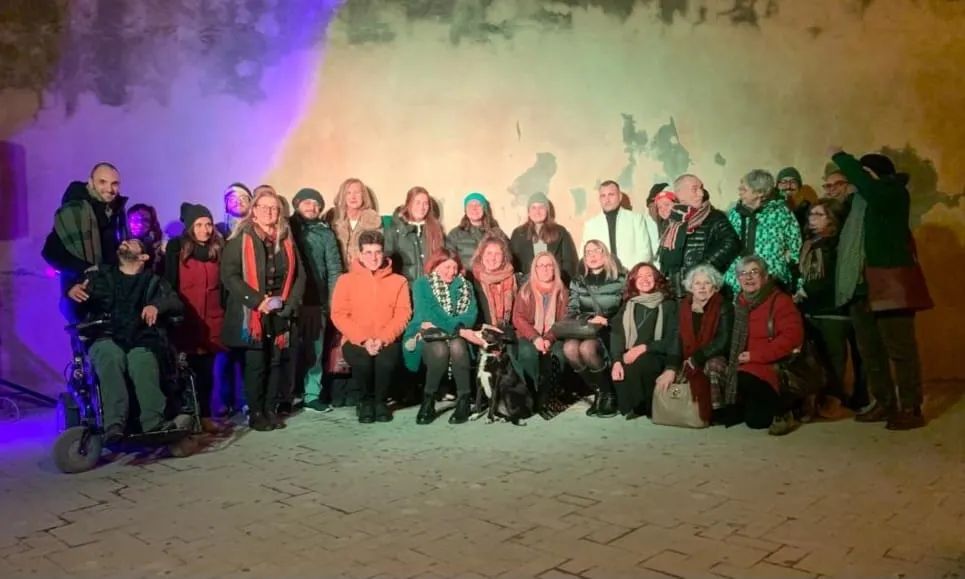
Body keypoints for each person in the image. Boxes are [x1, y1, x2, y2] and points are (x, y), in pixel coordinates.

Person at [830, 148, 931, 430]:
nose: (857, 180)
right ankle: (884, 402)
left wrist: (840, 157)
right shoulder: (859, 203)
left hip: (890, 286)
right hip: (860, 288)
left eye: (863, 174)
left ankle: (910, 407)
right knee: (871, 352)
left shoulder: (893, 193)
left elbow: (871, 190)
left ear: (876, 175)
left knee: (900, 350)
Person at [67, 239, 184, 442]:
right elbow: (73, 310)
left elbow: (175, 303)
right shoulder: (99, 277)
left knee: (142, 361)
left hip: (140, 337)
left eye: (132, 242)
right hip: (105, 335)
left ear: (144, 256)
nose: (125, 241)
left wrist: (157, 306)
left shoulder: (153, 281)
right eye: (125, 241)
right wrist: (70, 294)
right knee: (111, 357)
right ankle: (114, 425)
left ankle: (153, 423)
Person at [221, 187, 304, 431]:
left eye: (274, 208)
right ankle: (256, 412)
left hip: (280, 310)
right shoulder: (240, 240)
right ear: (254, 211)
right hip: (253, 313)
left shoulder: (287, 240)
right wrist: (258, 301)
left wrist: (290, 304)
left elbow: (300, 275)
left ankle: (270, 409)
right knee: (256, 364)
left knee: (276, 362)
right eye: (264, 207)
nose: (269, 212)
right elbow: (230, 276)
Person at [330, 230, 411, 424]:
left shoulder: (399, 281)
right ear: (359, 254)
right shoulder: (345, 281)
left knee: (385, 361)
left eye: (377, 252)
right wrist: (364, 339)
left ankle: (380, 402)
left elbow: (403, 314)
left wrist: (383, 339)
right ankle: (365, 401)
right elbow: (339, 314)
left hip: (387, 338)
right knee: (363, 361)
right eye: (368, 252)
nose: (373, 258)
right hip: (356, 339)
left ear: (384, 253)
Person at [163, 203, 227, 434]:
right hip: (186, 320)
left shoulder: (218, 248)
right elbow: (169, 282)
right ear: (190, 227)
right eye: (199, 225)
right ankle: (186, 418)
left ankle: (205, 415)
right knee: (183, 372)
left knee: (206, 373)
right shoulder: (177, 248)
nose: (205, 230)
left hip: (211, 320)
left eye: (208, 224)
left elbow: (224, 286)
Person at [723, 256, 804, 436]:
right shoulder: (739, 303)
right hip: (744, 363)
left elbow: (792, 337)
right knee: (756, 421)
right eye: (743, 273)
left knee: (744, 377)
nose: (748, 277)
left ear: (765, 276)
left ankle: (785, 409)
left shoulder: (780, 301)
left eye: (754, 272)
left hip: (772, 364)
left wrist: (756, 356)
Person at [42, 162, 129, 322]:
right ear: (91, 182)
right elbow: (51, 252)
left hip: (109, 295)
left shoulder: (116, 211)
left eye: (114, 183)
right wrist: (74, 280)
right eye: (102, 182)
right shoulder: (75, 210)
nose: (109, 189)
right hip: (82, 294)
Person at [403, 249, 480, 425]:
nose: (451, 272)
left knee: (458, 346)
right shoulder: (422, 284)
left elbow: (471, 315)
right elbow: (429, 313)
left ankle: (464, 400)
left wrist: (453, 329)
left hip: (455, 335)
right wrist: (459, 330)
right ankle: (428, 400)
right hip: (425, 335)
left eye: (454, 268)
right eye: (446, 267)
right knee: (439, 350)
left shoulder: (466, 286)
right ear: (435, 266)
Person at [795, 198, 852, 419]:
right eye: (811, 214)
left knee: (834, 359)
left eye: (819, 215)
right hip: (810, 309)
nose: (812, 219)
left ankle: (833, 400)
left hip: (832, 309)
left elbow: (832, 278)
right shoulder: (809, 244)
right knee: (815, 359)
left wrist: (805, 291)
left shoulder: (838, 244)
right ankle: (815, 401)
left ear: (833, 219)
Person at [289, 187, 343, 413]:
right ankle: (285, 395)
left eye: (316, 204)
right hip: (289, 300)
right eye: (307, 203)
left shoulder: (325, 234)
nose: (311, 207)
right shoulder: (286, 228)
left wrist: (333, 301)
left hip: (315, 300)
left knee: (315, 351)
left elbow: (334, 269)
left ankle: (312, 394)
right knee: (288, 351)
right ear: (297, 204)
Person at [563, 240, 626, 418]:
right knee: (569, 348)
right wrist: (590, 319)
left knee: (587, 349)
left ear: (605, 255)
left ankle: (609, 394)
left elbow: (626, 309)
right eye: (588, 252)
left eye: (597, 251)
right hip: (586, 328)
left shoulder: (621, 279)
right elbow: (572, 310)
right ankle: (600, 391)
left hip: (610, 329)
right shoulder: (578, 281)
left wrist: (607, 320)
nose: (592, 255)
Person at [610, 263, 678, 419]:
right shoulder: (628, 306)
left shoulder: (668, 305)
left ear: (656, 279)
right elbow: (617, 334)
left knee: (641, 364)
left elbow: (672, 339)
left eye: (649, 275)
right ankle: (632, 406)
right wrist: (617, 361)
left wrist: (643, 348)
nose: (644, 280)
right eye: (639, 276)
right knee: (620, 368)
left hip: (657, 353)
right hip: (630, 354)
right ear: (633, 281)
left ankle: (646, 407)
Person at [666, 265, 733, 423]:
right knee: (671, 376)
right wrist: (671, 367)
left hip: (714, 356)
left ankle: (717, 411)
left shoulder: (724, 306)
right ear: (691, 287)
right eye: (697, 283)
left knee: (712, 366)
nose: (702, 287)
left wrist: (697, 358)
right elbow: (677, 338)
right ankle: (688, 411)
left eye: (707, 283)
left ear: (715, 287)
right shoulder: (683, 307)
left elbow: (723, 341)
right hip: (689, 357)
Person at [659, 174, 740, 298]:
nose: (701, 193)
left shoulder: (714, 217)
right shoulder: (671, 222)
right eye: (695, 189)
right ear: (680, 193)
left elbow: (732, 243)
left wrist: (702, 269)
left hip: (704, 290)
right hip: (676, 291)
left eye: (701, 188)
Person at [724, 169, 802, 294]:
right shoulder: (735, 214)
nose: (739, 191)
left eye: (744, 189)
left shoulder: (781, 214)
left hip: (770, 282)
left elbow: (795, 248)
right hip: (737, 283)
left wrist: (797, 283)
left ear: (759, 193)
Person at [214, 183, 252, 416]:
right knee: (224, 354)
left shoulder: (255, 229)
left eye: (242, 198)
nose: (237, 202)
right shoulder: (216, 231)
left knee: (247, 354)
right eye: (232, 199)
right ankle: (224, 401)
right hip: (222, 298)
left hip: (247, 297)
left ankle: (245, 399)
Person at [581, 180, 653, 271]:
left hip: (630, 274)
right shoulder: (591, 225)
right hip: (602, 276)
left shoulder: (636, 219)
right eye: (603, 196)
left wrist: (631, 273)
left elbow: (645, 252)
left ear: (620, 196)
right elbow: (584, 255)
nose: (607, 200)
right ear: (599, 199)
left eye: (611, 195)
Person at [509, 193, 578, 284]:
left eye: (541, 207)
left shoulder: (560, 232)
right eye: (533, 208)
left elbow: (569, 262)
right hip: (527, 286)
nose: (537, 212)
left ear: (547, 211)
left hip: (555, 285)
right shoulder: (518, 234)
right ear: (528, 212)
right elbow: (513, 264)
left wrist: (560, 281)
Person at [385, 186, 446, 283]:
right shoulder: (394, 231)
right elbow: (387, 262)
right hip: (404, 286)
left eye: (425, 203)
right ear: (409, 204)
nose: (422, 207)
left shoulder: (436, 230)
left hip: (430, 286)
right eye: (417, 202)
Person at [327, 177, 382, 268]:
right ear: (343, 196)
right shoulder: (332, 217)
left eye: (357, 193)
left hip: (364, 271)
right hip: (338, 271)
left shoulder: (373, 219)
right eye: (348, 193)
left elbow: (378, 251)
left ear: (363, 196)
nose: (353, 197)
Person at [446, 192, 507, 272]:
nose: (474, 208)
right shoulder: (455, 234)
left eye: (478, 205)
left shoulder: (497, 233)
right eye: (470, 205)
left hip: (492, 277)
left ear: (484, 209)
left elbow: (507, 257)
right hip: (466, 277)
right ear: (465, 210)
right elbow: (449, 260)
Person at [127, 203, 164, 272]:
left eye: (145, 220)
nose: (140, 224)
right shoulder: (119, 247)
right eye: (136, 219)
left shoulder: (156, 248)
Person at [644, 184, 676, 263]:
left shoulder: (678, 225)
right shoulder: (644, 224)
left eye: (666, 204)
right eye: (659, 207)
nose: (662, 210)